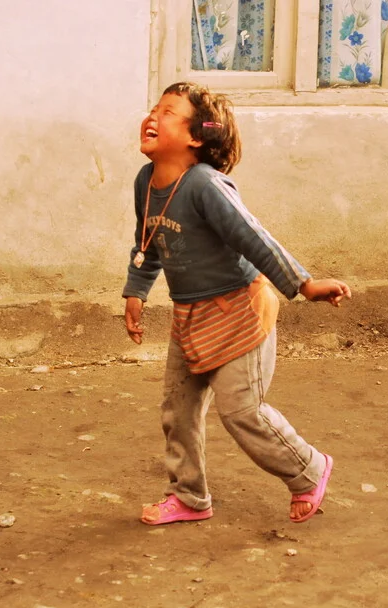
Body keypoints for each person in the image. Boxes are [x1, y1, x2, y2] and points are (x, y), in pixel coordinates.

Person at [121, 82, 351, 526]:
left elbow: (254, 237)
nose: (152, 115)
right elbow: (147, 242)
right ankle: (188, 497)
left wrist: (304, 285)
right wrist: (136, 290)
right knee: (178, 412)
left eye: (167, 111)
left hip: (239, 311)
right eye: (153, 107)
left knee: (242, 411)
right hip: (190, 315)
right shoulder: (146, 182)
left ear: (195, 137)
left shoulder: (206, 185)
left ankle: (309, 469)